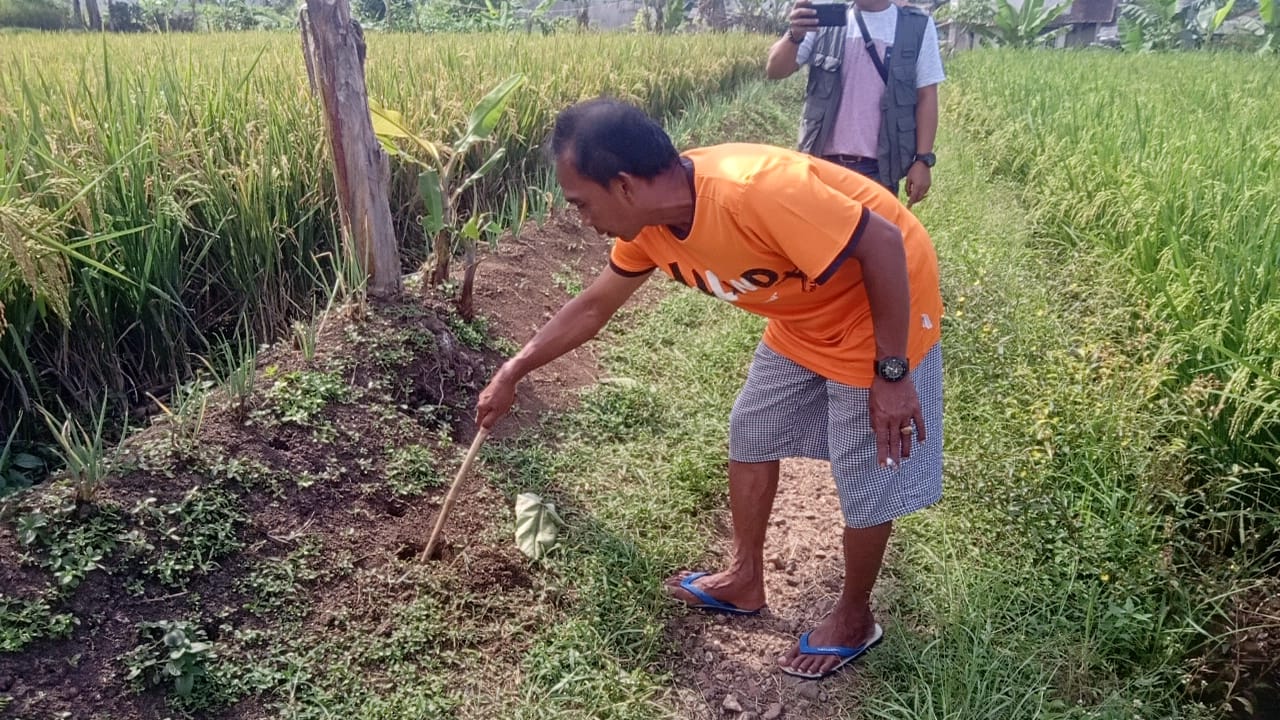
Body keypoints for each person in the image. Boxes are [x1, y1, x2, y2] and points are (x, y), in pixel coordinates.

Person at [475, 98, 944, 681]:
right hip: (803, 318)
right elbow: (595, 306)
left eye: (580, 203)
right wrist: (513, 369)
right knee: (753, 425)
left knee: (868, 461)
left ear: (622, 185)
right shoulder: (649, 229)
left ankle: (854, 616)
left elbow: (883, 244)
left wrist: (893, 374)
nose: (581, 219)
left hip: (878, 308)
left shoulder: (757, 192)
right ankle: (745, 579)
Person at [765, 0, 945, 206]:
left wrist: (923, 161)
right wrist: (794, 35)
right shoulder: (823, 21)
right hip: (821, 165)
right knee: (819, 238)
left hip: (879, 172)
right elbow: (774, 70)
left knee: (868, 238)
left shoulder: (916, 27)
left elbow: (927, 96)